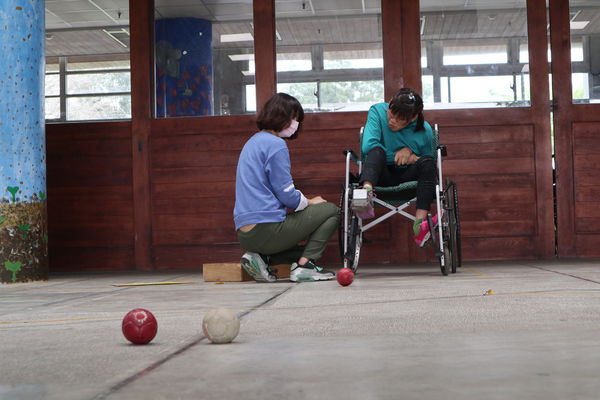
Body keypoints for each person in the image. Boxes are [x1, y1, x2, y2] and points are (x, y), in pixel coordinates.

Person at [234, 93, 339, 283]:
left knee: (298, 249)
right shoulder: (276, 145)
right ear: (280, 116)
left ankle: (261, 258)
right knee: (331, 211)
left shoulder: (252, 142)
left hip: (245, 234)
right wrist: (309, 202)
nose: (295, 125)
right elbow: (286, 194)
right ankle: (305, 266)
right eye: (294, 119)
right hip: (266, 228)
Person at [354, 88, 438, 247]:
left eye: (399, 119)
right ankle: (365, 194)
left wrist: (412, 156)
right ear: (390, 104)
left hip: (408, 175)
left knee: (427, 162)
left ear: (413, 118)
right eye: (391, 114)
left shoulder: (425, 130)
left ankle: (419, 226)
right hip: (379, 174)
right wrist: (396, 156)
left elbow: (427, 163)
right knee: (375, 150)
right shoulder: (378, 111)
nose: (392, 120)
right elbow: (368, 146)